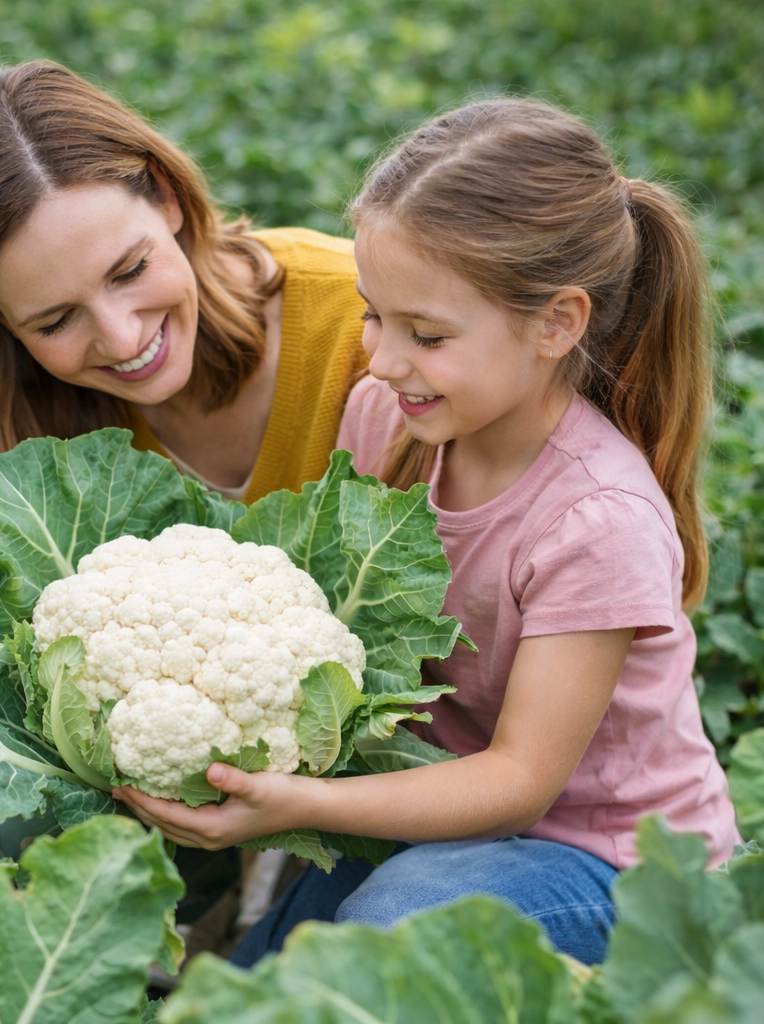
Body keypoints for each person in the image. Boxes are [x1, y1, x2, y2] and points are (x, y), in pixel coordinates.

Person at [113, 96, 741, 966]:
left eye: (427, 333)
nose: (382, 356)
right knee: (261, 981)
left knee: (383, 938)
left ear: (557, 322)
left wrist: (300, 804)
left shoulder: (597, 521)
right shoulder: (383, 421)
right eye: (374, 314)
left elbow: (521, 786)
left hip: (611, 868)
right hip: (436, 812)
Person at [0, 60, 370, 649]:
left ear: (167, 196)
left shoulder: (372, 321)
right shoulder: (38, 429)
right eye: (55, 320)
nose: (124, 341)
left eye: (130, 270)